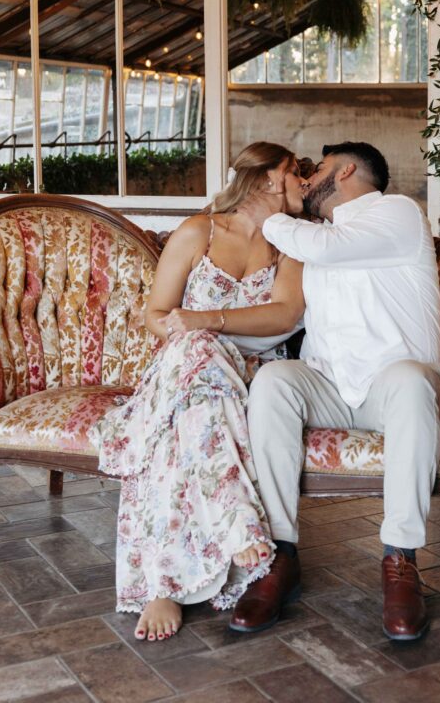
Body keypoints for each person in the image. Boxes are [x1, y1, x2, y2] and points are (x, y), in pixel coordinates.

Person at [230, 141, 440, 641]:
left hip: (394, 386)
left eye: (319, 169)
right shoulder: (316, 238)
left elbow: (324, 248)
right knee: (273, 380)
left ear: (347, 170)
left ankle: (400, 560)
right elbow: (284, 324)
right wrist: (210, 332)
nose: (307, 180)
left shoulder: (397, 214)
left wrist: (265, 211)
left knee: (413, 381)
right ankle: (280, 555)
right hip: (330, 385)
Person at [92, 142, 305, 643]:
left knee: (180, 416)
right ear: (271, 179)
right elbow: (154, 315)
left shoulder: (293, 243)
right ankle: (232, 518)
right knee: (198, 359)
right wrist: (196, 338)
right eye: (298, 173)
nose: (306, 182)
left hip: (250, 377)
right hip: (185, 369)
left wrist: (207, 324)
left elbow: (286, 314)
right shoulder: (198, 232)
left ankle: (161, 585)